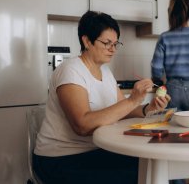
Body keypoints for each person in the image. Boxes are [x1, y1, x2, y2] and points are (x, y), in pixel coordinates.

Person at [33, 11, 170, 184]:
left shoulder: (105, 71)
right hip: (60, 158)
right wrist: (133, 100)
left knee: (150, 166)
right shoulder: (71, 71)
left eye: (115, 43)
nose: (113, 49)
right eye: (107, 43)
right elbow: (82, 125)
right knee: (139, 173)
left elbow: (123, 110)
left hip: (94, 151)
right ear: (87, 41)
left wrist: (147, 108)